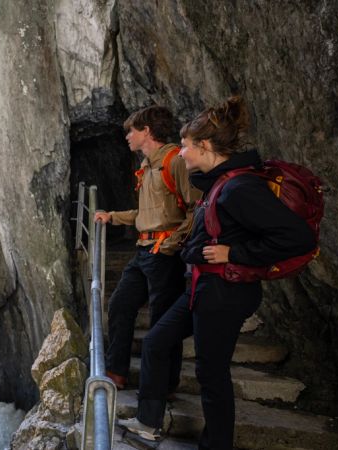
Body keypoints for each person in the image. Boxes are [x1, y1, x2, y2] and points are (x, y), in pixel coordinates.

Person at [117, 96, 316, 449]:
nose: (180, 154)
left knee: (212, 375)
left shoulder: (240, 187)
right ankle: (149, 420)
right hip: (203, 287)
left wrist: (234, 252)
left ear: (205, 146)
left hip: (224, 293)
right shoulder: (221, 183)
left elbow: (297, 238)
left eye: (185, 146)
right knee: (157, 342)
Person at [95, 105, 200, 391]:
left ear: (146, 131)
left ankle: (164, 386)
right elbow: (145, 214)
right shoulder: (146, 165)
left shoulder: (174, 161)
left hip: (164, 254)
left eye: (131, 131)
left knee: (162, 321)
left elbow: (197, 208)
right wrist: (113, 217)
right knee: (120, 304)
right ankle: (117, 372)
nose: (127, 136)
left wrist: (171, 243)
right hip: (144, 251)